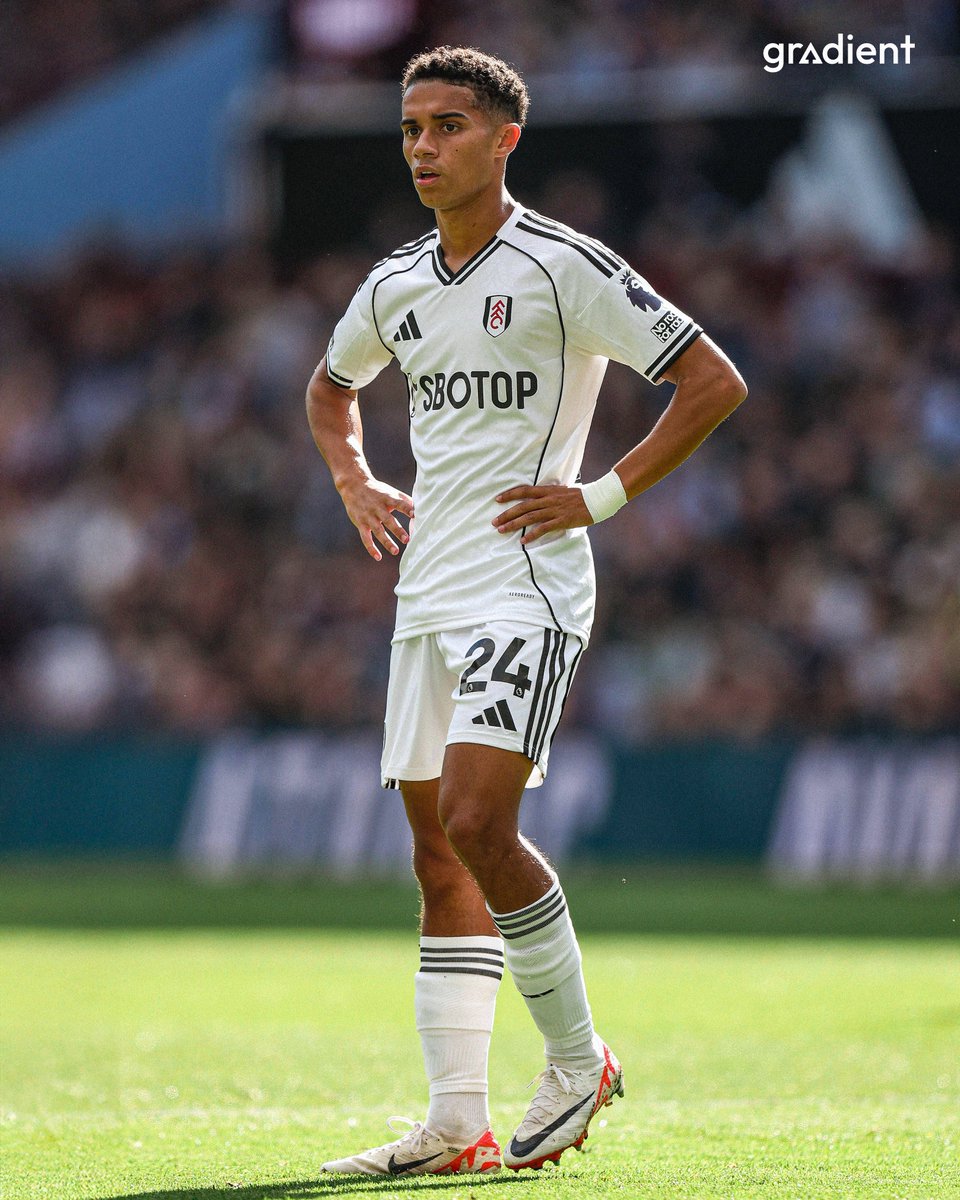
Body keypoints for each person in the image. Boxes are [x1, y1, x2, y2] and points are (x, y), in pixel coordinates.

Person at [306, 45, 746, 1176]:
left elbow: (711, 381)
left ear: (506, 139)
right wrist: (354, 479)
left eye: (448, 126)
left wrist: (596, 498)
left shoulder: (564, 265)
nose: (423, 147)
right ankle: (457, 1120)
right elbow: (327, 387)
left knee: (476, 822)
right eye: (411, 128)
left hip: (526, 583)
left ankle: (577, 1056)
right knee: (434, 856)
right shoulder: (395, 282)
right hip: (427, 591)